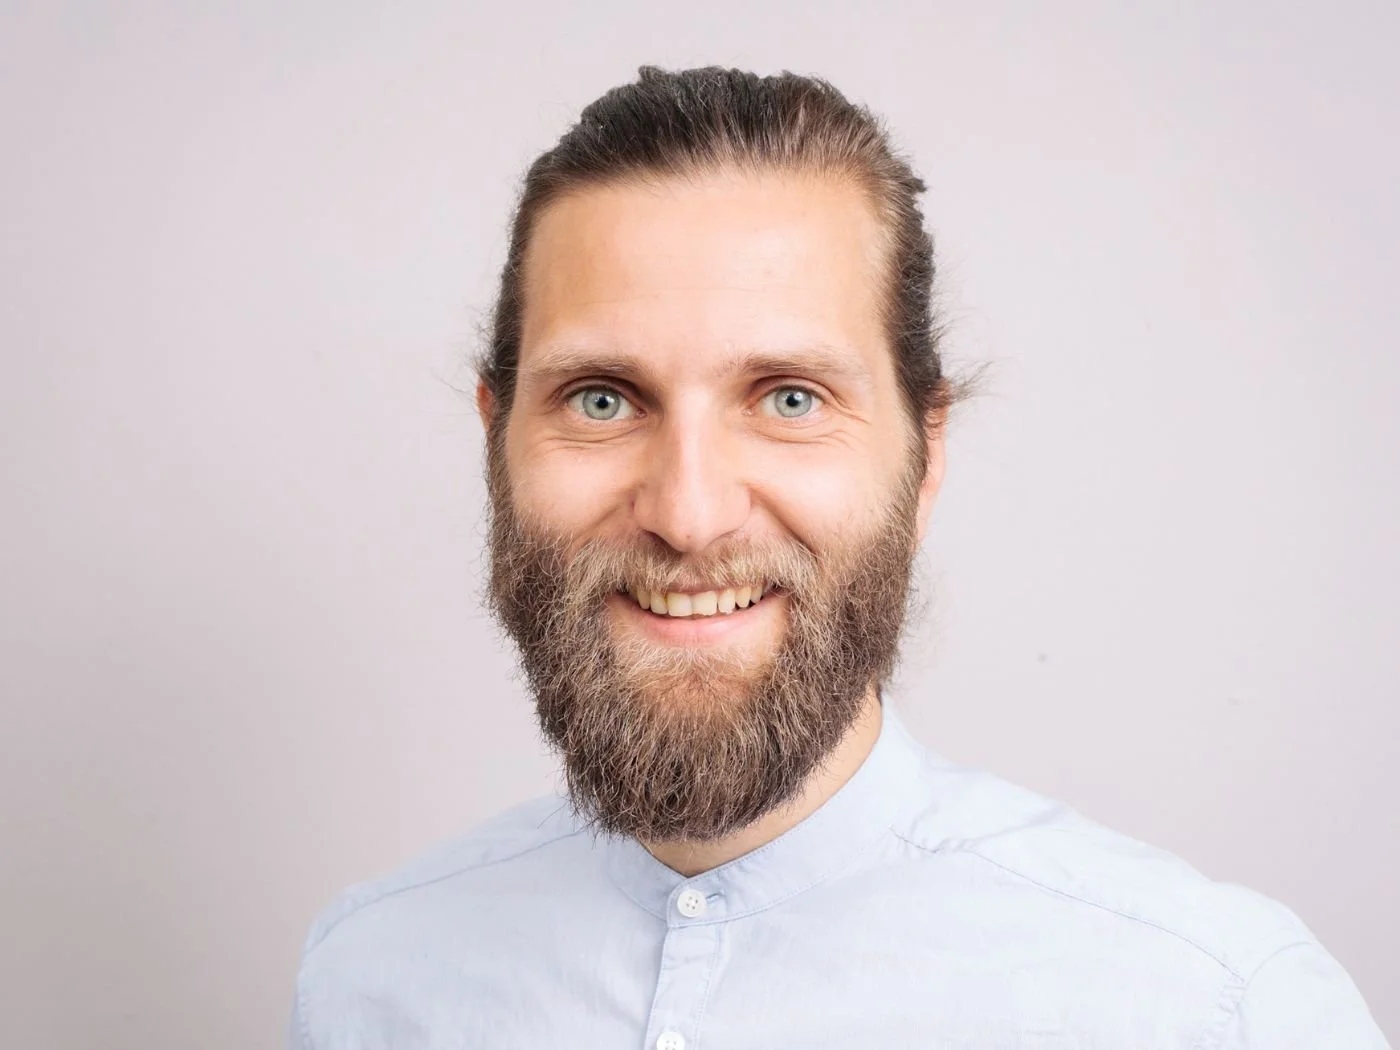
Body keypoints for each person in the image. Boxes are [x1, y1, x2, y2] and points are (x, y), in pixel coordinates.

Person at [288, 66, 1388, 1048]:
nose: (689, 513)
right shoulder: (372, 981)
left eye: (789, 398)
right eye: (602, 397)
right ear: (496, 436)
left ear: (927, 449)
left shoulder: (1210, 1010)